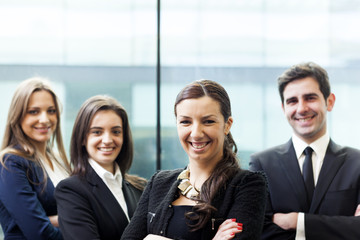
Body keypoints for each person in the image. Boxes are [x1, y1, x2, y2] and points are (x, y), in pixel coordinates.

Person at [121, 80, 267, 240]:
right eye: (185, 122)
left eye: (208, 121)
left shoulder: (248, 185)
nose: (196, 133)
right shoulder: (159, 182)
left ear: (227, 125)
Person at [249, 62, 360, 240]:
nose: (301, 109)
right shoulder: (262, 164)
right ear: (284, 108)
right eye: (292, 101)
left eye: (310, 98)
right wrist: (343, 227)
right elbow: (260, 232)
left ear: (329, 102)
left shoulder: (357, 163)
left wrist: (297, 221)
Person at [55, 95, 146, 240]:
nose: (108, 140)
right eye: (97, 132)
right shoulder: (71, 191)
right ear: (83, 138)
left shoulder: (140, 187)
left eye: (116, 131)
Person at [0, 77, 71, 239]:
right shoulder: (10, 163)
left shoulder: (59, 160)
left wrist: (53, 220)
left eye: (51, 111)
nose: (45, 119)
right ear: (17, 116)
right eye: (34, 111)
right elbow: (39, 232)